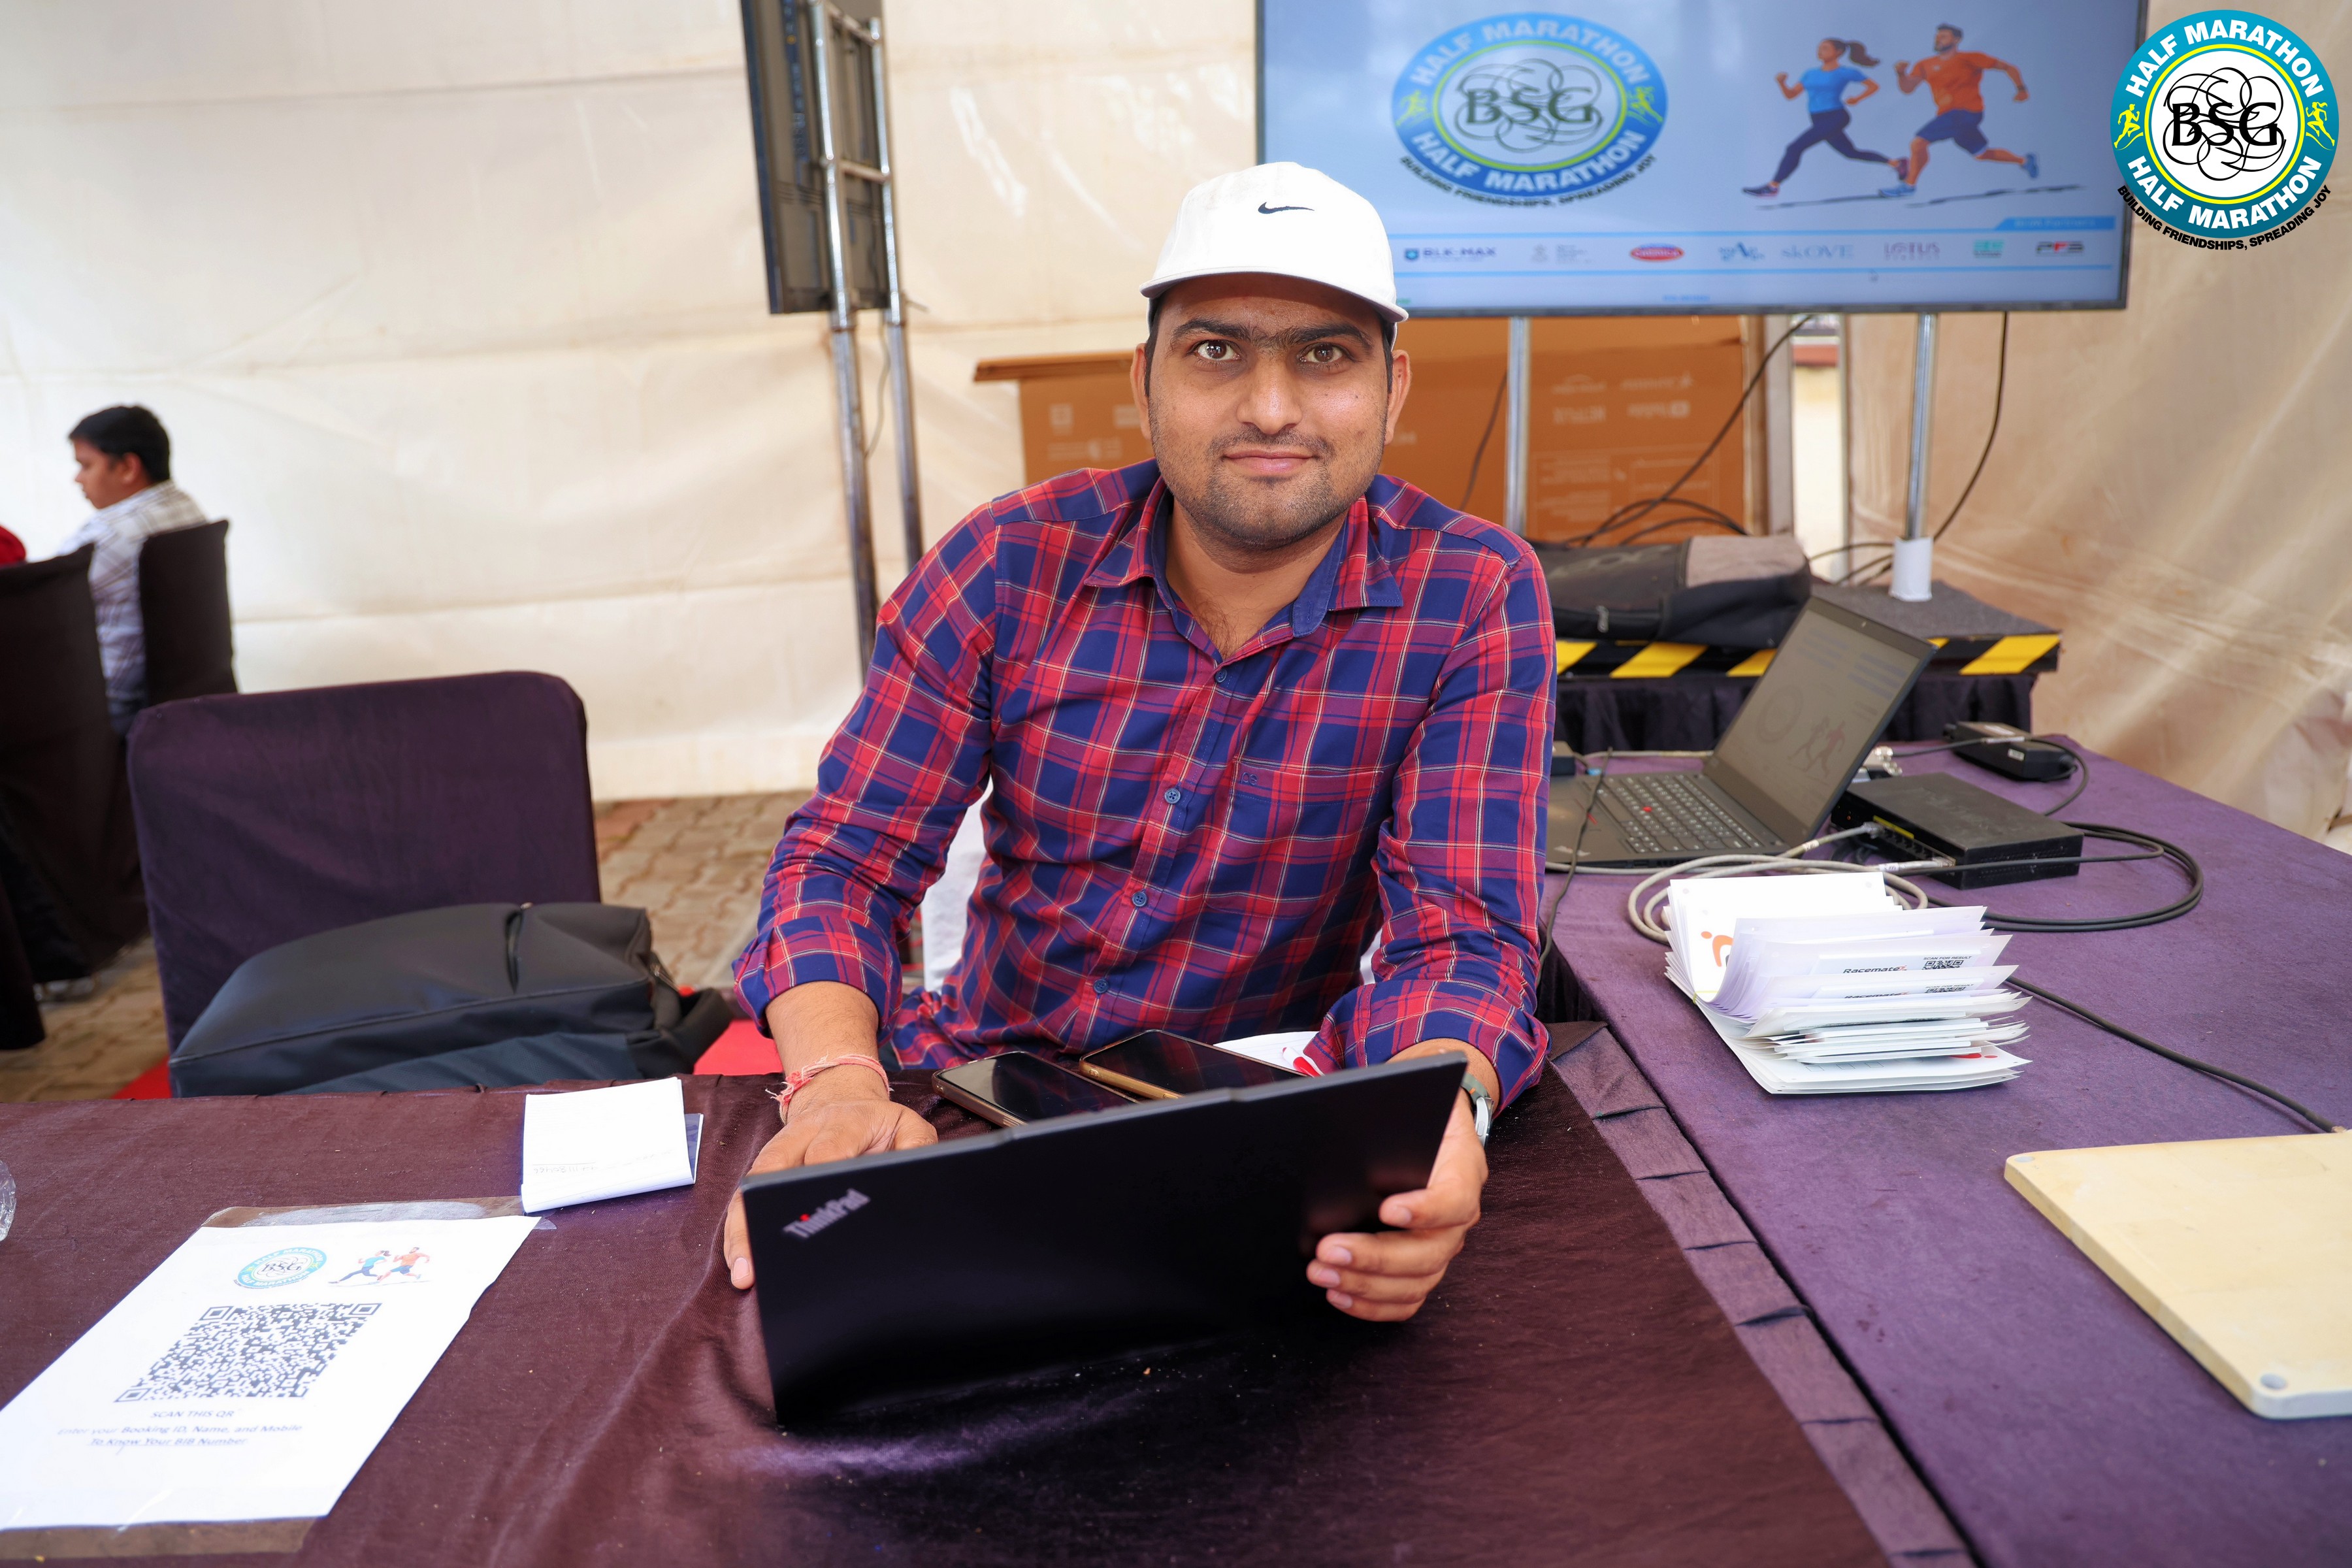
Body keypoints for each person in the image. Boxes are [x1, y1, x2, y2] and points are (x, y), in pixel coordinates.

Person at [722, 162, 1554, 1324]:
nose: (1272, 409)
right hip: (975, 1089)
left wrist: (1432, 1118)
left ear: (1392, 387)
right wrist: (835, 1085)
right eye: (1216, 351)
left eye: (1326, 355)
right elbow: (843, 861)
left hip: (1256, 1123)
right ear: (1145, 379)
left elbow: (1462, 936)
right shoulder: (1008, 563)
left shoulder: (1471, 594)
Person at [55, 406, 210, 732]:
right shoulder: (188, 510)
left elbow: (40, 611)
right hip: (174, 700)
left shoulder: (110, 536)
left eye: (86, 465)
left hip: (106, 709)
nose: (77, 479)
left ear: (127, 467)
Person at [1880, 24, 2038, 195]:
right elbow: (1908, 89)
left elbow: (2009, 68)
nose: (1938, 40)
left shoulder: (1971, 58)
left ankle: (1909, 186)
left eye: (1943, 36)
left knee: (1918, 143)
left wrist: (2022, 89)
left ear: (1957, 40)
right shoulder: (1925, 64)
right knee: (1981, 154)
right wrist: (1901, 74)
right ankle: (2024, 161)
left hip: (1967, 112)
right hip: (1950, 115)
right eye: (1937, 37)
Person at [1742, 39, 1894, 198]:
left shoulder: (1845, 72)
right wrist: (1782, 83)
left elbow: (1873, 86)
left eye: (1825, 48)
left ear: (1838, 53)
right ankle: (1896, 164)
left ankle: (1773, 187)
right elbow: (1791, 95)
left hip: (1836, 116)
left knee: (1794, 148)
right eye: (1819, 48)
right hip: (1818, 119)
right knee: (1850, 153)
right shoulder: (1810, 74)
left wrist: (1857, 99)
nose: (1820, 51)